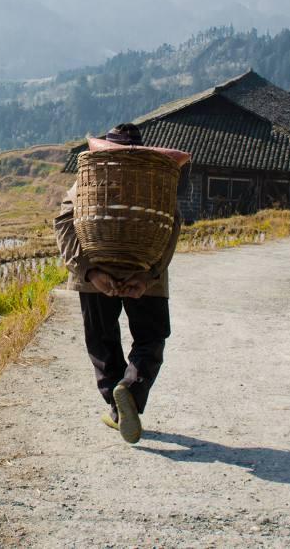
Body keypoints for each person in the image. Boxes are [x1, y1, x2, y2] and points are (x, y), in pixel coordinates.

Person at [53, 122, 185, 444]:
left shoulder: (91, 178)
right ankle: (129, 390)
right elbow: (173, 223)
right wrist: (148, 274)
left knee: (102, 341)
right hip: (145, 269)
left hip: (96, 271)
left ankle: (117, 404)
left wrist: (89, 272)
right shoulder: (155, 180)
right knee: (151, 338)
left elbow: (65, 221)